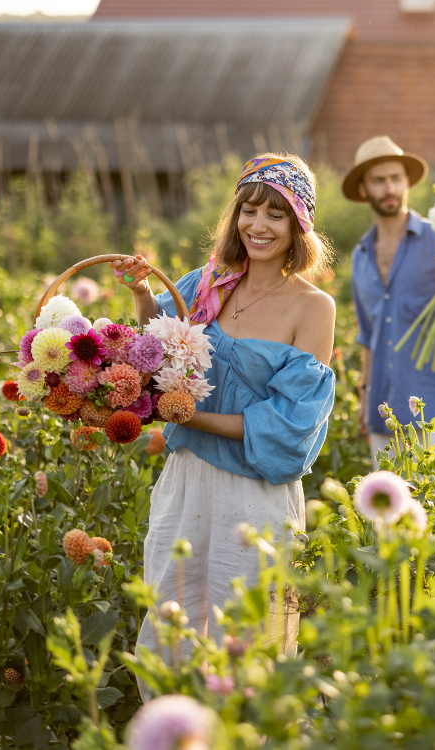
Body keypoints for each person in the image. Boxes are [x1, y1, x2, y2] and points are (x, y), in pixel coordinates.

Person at [111, 153, 335, 689]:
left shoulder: (313, 307)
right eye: (249, 210)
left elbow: (289, 426)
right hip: (187, 478)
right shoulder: (207, 282)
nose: (259, 226)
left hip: (252, 493)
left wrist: (189, 416)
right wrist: (143, 294)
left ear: (299, 225)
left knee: (244, 632)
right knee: (171, 614)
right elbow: (155, 345)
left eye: (276, 215)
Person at [344, 135, 435, 482]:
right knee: (390, 526)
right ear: (364, 189)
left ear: (407, 182)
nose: (389, 187)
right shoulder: (360, 256)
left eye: (396, 178)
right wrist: (365, 396)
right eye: (378, 180)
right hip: (385, 408)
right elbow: (368, 335)